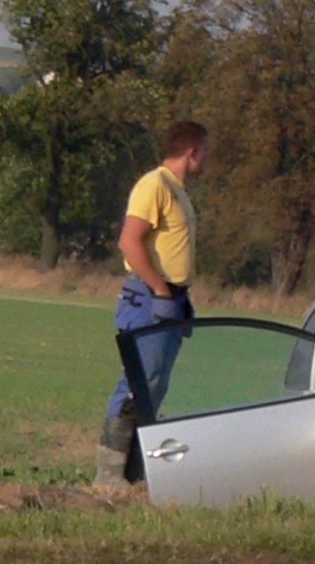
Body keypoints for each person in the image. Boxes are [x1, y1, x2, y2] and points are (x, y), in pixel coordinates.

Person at [93, 120, 209, 487]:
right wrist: (159, 289)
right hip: (148, 299)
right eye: (205, 151)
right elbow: (129, 242)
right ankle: (109, 477)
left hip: (172, 300)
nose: (208, 158)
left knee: (155, 386)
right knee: (138, 382)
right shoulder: (154, 185)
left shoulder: (178, 191)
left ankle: (135, 474)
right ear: (192, 151)